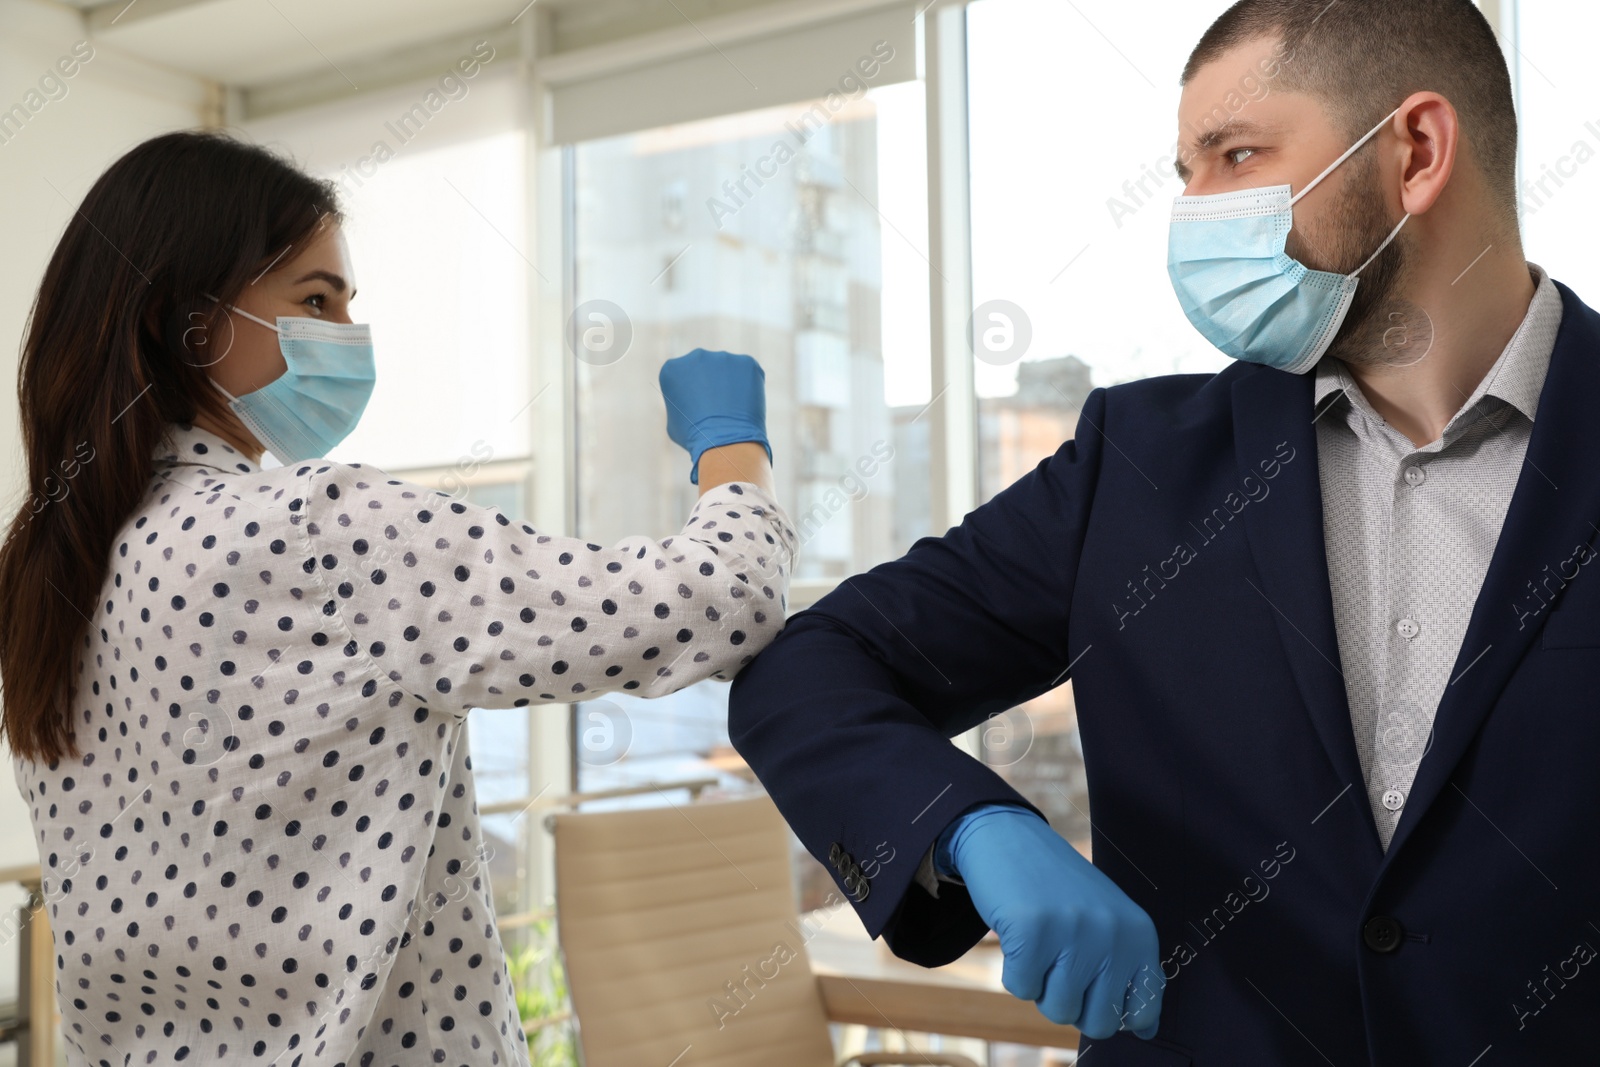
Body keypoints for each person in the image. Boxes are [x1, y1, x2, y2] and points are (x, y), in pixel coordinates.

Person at [729, 0, 1600, 1063]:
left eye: (1235, 155)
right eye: (1186, 172)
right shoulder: (1132, 465)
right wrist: (969, 822)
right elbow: (811, 666)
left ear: (1415, 152)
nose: (1194, 212)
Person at [0, 129, 796, 1067]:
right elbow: (719, 599)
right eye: (314, 299)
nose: (345, 334)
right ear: (191, 325)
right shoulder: (318, 529)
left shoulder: (50, 572)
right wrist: (729, 445)